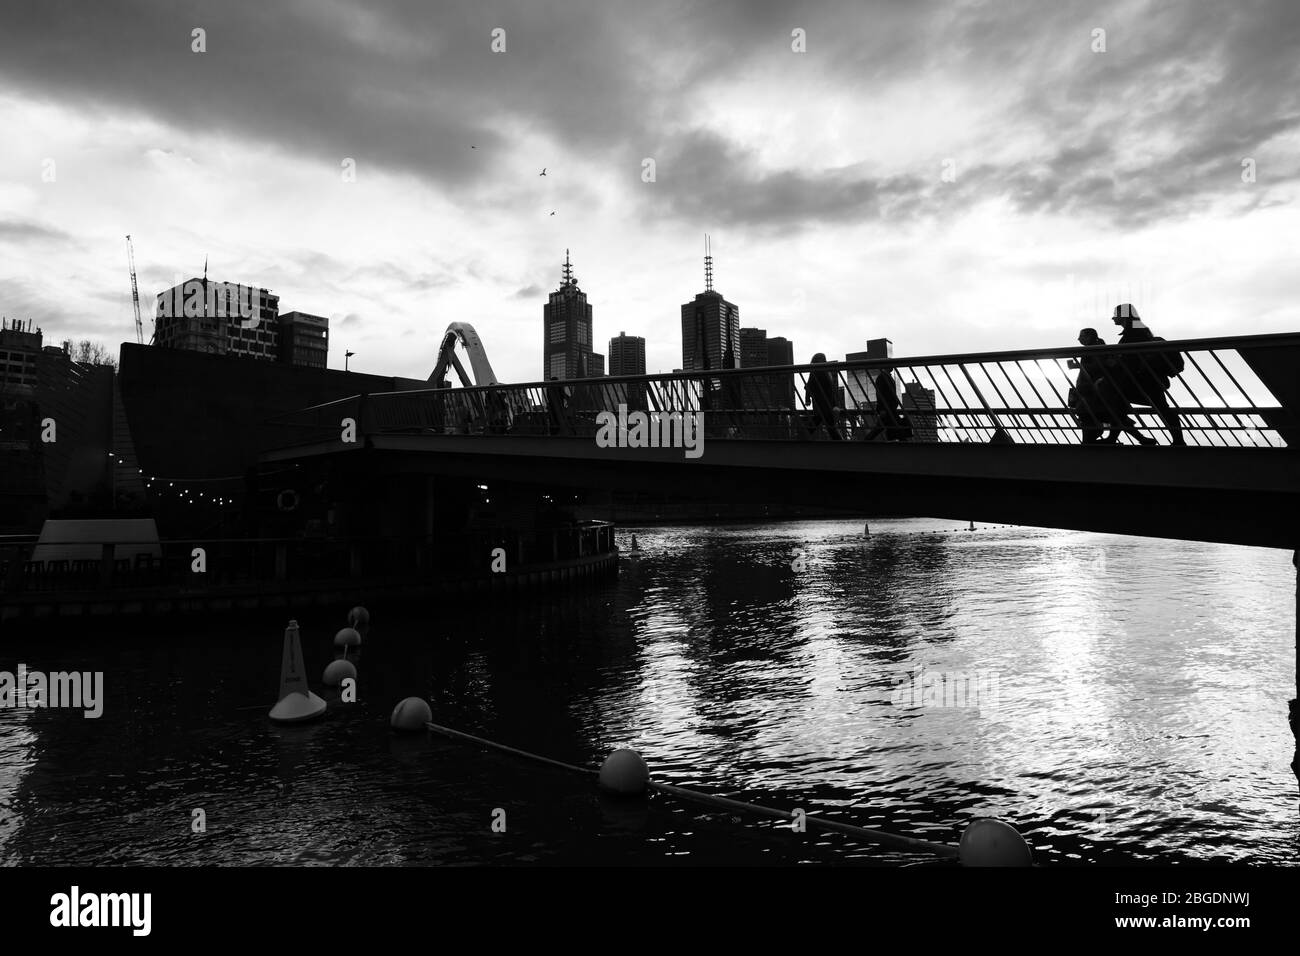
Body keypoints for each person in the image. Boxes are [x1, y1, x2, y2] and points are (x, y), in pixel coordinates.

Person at [1110, 304, 1186, 445]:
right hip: (1143, 377)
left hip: (1143, 378)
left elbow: (1133, 355)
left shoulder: (1134, 331)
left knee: (1160, 408)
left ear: (1124, 315)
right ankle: (1177, 440)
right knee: (1119, 403)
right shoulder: (1138, 328)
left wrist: (1117, 360)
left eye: (1116, 314)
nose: (1113, 317)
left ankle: (1178, 440)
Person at [1067, 327, 1155, 445]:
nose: (1079, 339)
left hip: (1095, 390)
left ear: (1089, 337)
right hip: (1097, 389)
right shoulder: (1099, 347)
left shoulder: (1095, 349)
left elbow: (1101, 365)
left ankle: (1135, 439)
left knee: (1100, 415)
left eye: (1081, 336)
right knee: (1115, 415)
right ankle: (1138, 439)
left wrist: (1077, 366)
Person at [862, 367, 912, 441]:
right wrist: (882, 409)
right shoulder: (882, 377)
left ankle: (865, 442)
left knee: (884, 428)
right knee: (895, 428)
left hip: (889, 409)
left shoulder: (885, 377)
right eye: (890, 365)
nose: (892, 366)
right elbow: (880, 394)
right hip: (887, 409)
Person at [804, 353, 843, 440]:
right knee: (828, 423)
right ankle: (840, 443)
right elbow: (810, 386)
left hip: (822, 402)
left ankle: (802, 437)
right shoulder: (821, 371)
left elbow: (809, 386)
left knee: (820, 420)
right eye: (823, 359)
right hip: (824, 402)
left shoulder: (817, 371)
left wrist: (807, 399)